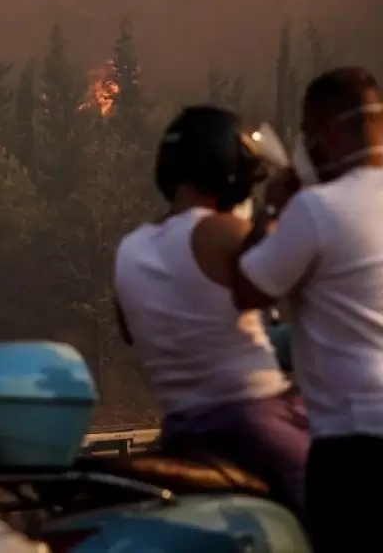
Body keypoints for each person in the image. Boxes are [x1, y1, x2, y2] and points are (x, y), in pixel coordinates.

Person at [112, 105, 309, 518]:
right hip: (254, 419)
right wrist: (275, 209)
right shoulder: (221, 232)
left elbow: (132, 329)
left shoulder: (130, 250)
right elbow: (278, 280)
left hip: (182, 428)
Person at [226, 66, 383, 552]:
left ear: (329, 135)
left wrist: (272, 209)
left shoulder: (317, 210)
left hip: (354, 443)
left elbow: (249, 288)